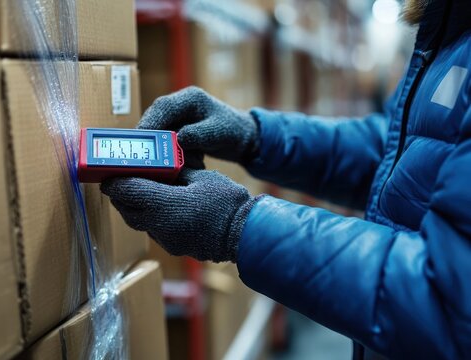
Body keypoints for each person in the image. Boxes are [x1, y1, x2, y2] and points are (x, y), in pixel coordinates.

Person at [101, 0, 471, 358]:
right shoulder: (452, 27)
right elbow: (395, 152)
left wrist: (238, 225)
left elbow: (446, 301)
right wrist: (256, 137)